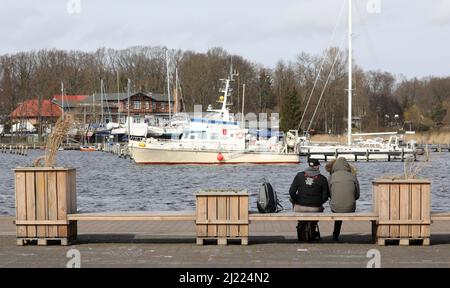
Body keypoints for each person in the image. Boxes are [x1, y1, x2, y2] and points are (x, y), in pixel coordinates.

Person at [328, 157, 360, 241]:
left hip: (335, 207)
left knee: (337, 208)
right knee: (342, 206)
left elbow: (330, 194)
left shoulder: (331, 176)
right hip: (350, 207)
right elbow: (357, 195)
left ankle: (335, 235)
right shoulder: (353, 176)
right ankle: (335, 234)